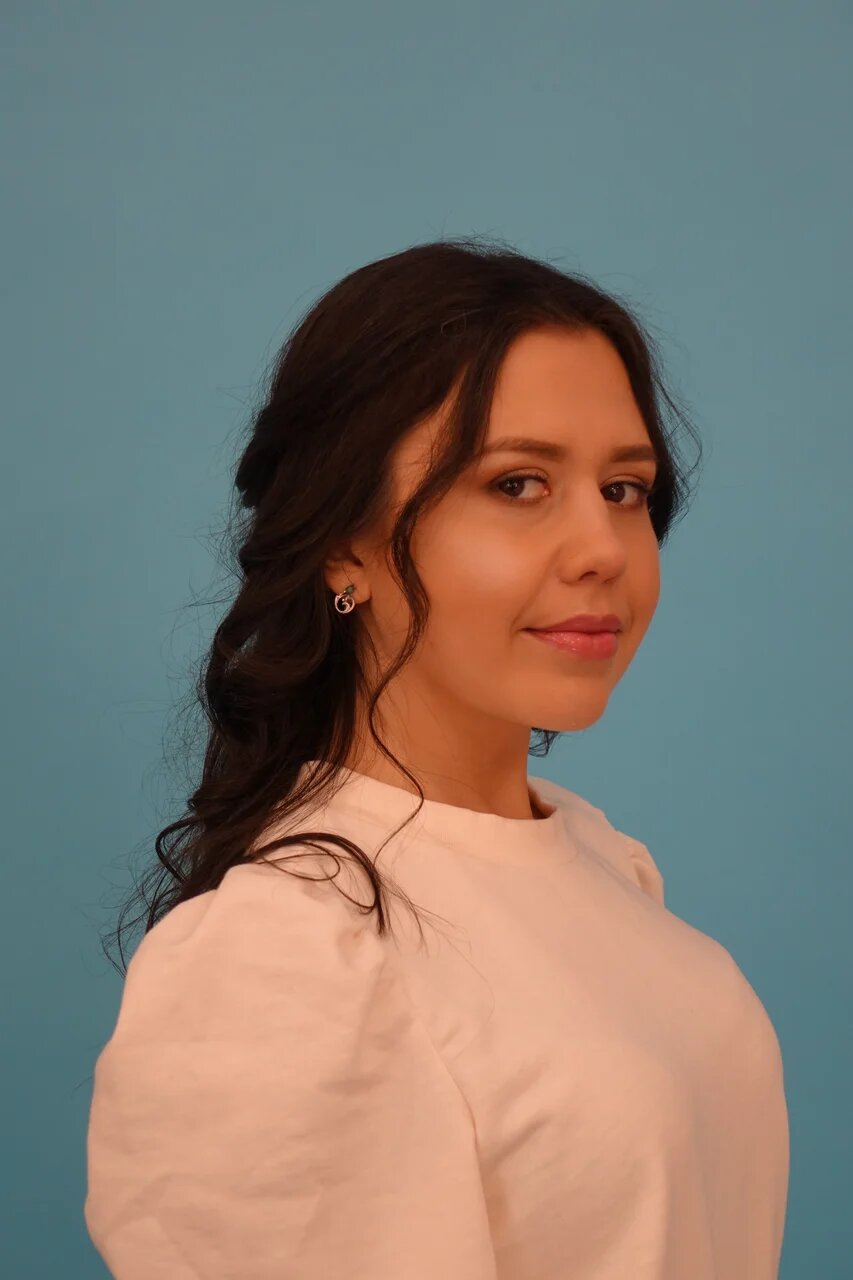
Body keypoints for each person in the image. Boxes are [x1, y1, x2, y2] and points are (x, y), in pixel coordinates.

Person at [84, 237, 789, 1278]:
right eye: (517, 483)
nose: (603, 548)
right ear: (343, 543)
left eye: (624, 487)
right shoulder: (285, 961)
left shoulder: (600, 860)